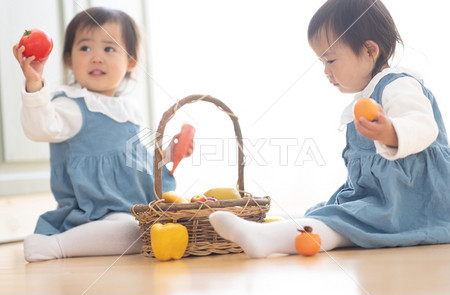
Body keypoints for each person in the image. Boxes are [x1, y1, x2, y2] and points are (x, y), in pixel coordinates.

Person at [209, 0, 450, 258]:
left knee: (341, 220)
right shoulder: (368, 97)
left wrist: (390, 132)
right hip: (384, 197)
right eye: (322, 62)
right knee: (325, 213)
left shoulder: (398, 85)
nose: (326, 71)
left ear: (370, 51)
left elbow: (424, 126)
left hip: (415, 200)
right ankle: (274, 236)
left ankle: (267, 238)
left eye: (331, 60)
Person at [13, 7, 192, 262]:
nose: (96, 57)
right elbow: (38, 127)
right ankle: (54, 245)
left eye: (109, 49)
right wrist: (34, 85)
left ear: (130, 61)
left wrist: (169, 155)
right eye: (85, 48)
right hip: (93, 213)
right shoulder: (73, 105)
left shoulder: (128, 109)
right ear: (68, 60)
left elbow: (134, 163)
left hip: (128, 209)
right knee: (134, 229)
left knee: (159, 222)